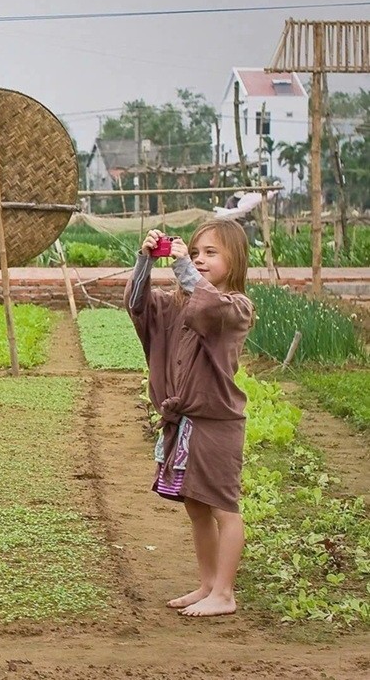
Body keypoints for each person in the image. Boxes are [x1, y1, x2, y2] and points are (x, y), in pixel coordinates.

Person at [125, 220, 255, 618]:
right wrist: (145, 261)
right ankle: (208, 584)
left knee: (223, 508)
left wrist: (183, 268)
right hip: (184, 425)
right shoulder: (176, 303)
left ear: (235, 261)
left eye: (210, 254)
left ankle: (226, 593)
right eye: (195, 253)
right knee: (196, 507)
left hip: (216, 425)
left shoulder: (236, 308)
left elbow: (209, 307)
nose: (200, 260)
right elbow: (138, 305)